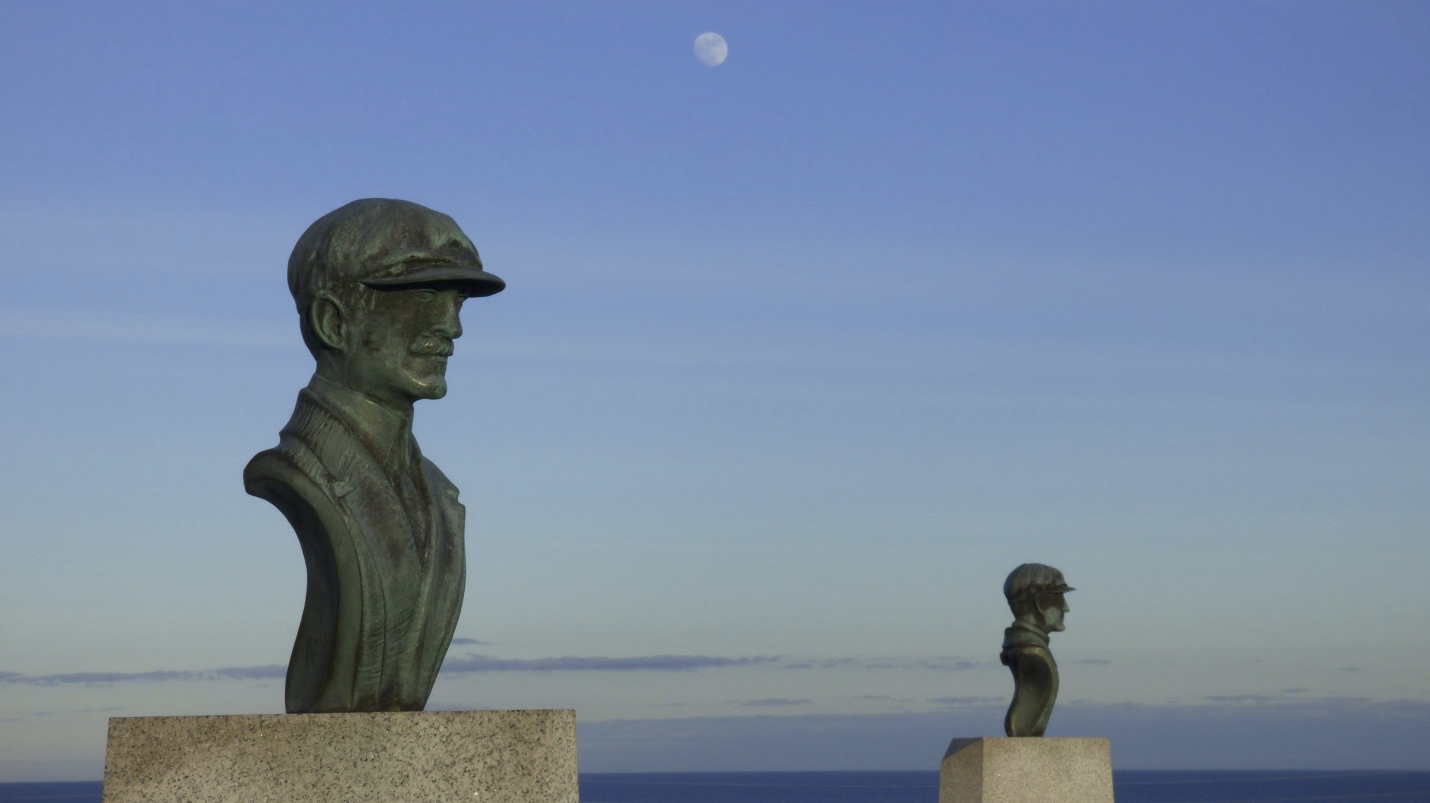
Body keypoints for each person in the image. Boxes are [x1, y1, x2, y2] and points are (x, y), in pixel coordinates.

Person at [244, 198, 504, 713]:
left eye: (456, 301)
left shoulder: (438, 494)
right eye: (424, 297)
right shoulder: (299, 472)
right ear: (332, 322)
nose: (452, 327)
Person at [1000, 563, 1073, 737]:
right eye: (1059, 596)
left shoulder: (1018, 644)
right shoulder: (1033, 653)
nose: (1066, 607)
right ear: (1041, 603)